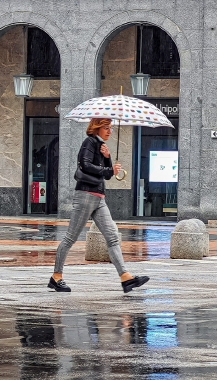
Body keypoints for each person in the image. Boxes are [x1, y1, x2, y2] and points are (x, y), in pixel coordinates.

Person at [48, 118, 149, 293]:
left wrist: (108, 158)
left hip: (99, 198)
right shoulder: (89, 142)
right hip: (86, 195)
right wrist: (108, 169)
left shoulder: (101, 146)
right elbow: (85, 166)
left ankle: (125, 277)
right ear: (97, 128)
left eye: (110, 128)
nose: (110, 131)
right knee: (70, 238)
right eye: (106, 128)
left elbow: (108, 176)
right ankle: (56, 277)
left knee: (112, 237)